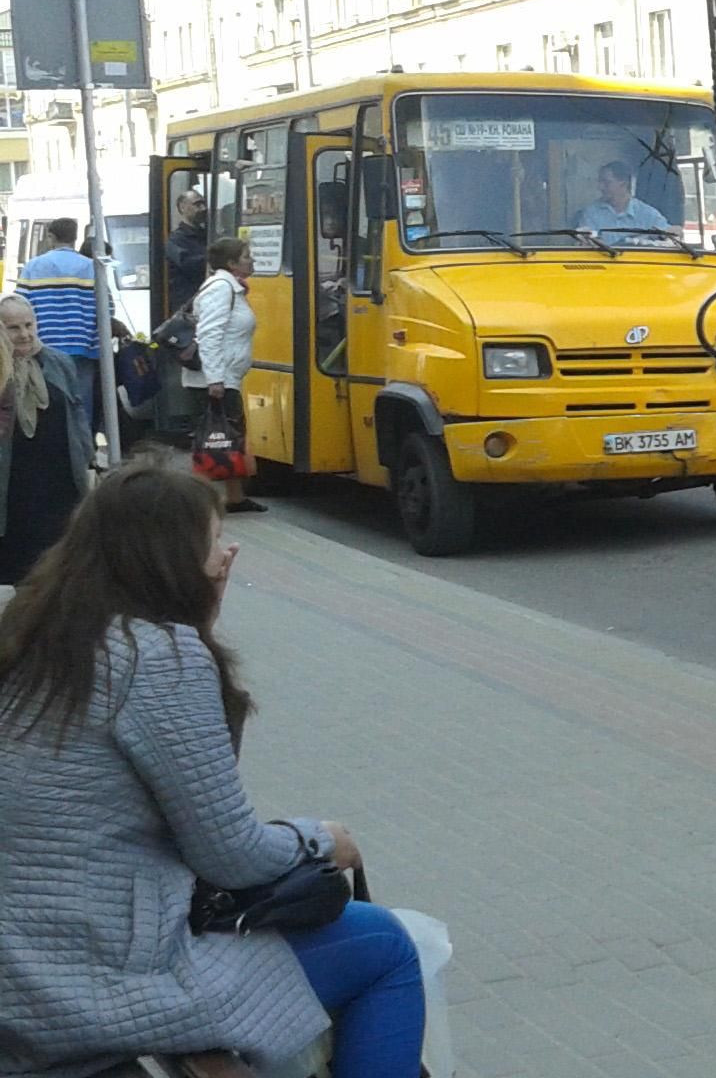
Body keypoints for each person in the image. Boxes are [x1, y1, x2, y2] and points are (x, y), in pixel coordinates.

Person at [0, 461, 424, 1078]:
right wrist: (321, 839)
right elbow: (230, 855)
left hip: (20, 973)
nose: (227, 554)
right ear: (167, 560)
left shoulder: (32, 638)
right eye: (211, 541)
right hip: (93, 989)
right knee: (385, 947)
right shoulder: (157, 656)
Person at [0, 295, 91, 585]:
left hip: (59, 483)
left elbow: (77, 413)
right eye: (13, 328)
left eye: (29, 324)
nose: (25, 334)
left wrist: (87, 457)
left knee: (60, 566)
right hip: (12, 487)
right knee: (21, 567)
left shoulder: (58, 362)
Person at [186, 237, 260, 515]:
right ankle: (195, 503)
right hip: (218, 379)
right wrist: (215, 379)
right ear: (231, 264)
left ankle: (235, 498)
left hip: (227, 376)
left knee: (228, 438)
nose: (251, 260)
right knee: (213, 439)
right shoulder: (221, 288)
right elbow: (209, 334)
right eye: (246, 256)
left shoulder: (232, 288)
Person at [16, 217, 101, 445]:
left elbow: (21, 306)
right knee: (81, 402)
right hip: (84, 346)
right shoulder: (91, 267)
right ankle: (83, 450)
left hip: (45, 346)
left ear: (51, 237)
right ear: (75, 238)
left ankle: (54, 445)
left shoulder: (33, 267)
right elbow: (107, 307)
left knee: (47, 399)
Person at [572, 160, 674, 246]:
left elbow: (671, 237)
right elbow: (586, 244)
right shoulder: (591, 213)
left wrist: (673, 232)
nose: (600, 187)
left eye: (606, 182)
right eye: (600, 182)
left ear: (623, 183)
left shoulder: (647, 214)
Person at [165, 189, 211, 309]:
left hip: (207, 301)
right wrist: (216, 257)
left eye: (204, 204)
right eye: (197, 204)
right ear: (182, 208)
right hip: (187, 305)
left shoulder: (208, 235)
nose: (203, 209)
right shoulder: (175, 240)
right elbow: (189, 264)